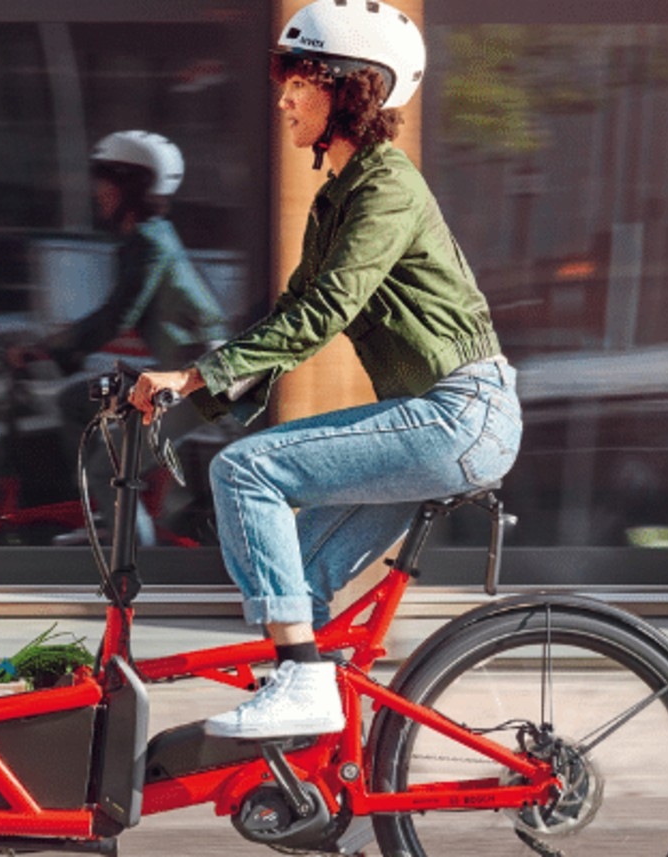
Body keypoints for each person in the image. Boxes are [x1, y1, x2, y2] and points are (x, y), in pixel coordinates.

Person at [130, 0, 522, 740]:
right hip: (439, 420)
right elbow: (290, 312)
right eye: (284, 77)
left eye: (299, 79)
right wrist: (187, 401)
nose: (282, 96)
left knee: (247, 473)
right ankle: (327, 784)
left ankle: (306, 690)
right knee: (298, 591)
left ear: (353, 90)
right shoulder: (337, 198)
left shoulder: (386, 188)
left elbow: (326, 312)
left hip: (459, 415)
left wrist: (197, 380)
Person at [10, 130, 228, 375]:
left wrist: (48, 349)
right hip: (188, 370)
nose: (97, 192)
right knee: (91, 396)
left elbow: (116, 317)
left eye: (104, 183)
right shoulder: (151, 236)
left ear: (132, 187)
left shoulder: (151, 243)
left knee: (75, 402)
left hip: (202, 381)